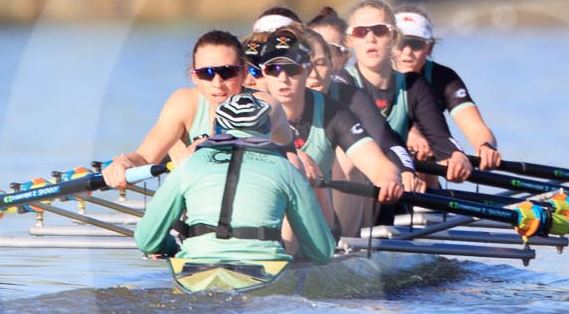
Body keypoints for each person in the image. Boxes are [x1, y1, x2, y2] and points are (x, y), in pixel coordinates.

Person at [133, 93, 337, 267]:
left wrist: (171, 248)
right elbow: (322, 252)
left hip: (197, 264)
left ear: (217, 128)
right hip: (264, 267)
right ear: (267, 129)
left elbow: (147, 241)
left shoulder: (187, 166)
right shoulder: (287, 170)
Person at [246, 27, 418, 220]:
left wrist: (389, 177)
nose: (283, 78)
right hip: (260, 215)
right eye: (273, 70)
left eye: (292, 69)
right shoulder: (246, 111)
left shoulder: (334, 112)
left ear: (307, 71)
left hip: (316, 221)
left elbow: (378, 164)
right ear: (263, 74)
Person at [103, 30, 289, 184]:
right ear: (194, 76)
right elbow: (145, 159)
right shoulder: (184, 104)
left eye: (227, 72)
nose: (217, 83)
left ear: (243, 73)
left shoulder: (263, 102)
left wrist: (206, 144)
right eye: (206, 73)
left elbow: (242, 134)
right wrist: (124, 162)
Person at [341, 0, 473, 182]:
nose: (370, 39)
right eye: (360, 32)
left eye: (380, 31)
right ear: (349, 41)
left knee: (423, 172)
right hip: (349, 189)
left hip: (392, 186)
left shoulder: (415, 86)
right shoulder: (341, 84)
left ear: (394, 38)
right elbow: (380, 133)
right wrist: (404, 168)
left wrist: (457, 156)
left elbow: (441, 138)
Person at [390, 4, 503, 172]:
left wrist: (486, 147)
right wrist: (408, 135)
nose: (407, 52)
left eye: (416, 44)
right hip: (378, 163)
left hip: (424, 166)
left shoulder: (443, 78)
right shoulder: (373, 76)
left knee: (427, 155)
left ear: (430, 47)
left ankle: (424, 191)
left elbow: (475, 127)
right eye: (400, 43)